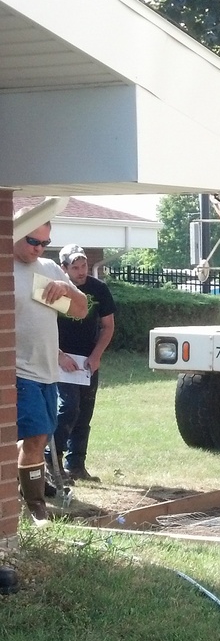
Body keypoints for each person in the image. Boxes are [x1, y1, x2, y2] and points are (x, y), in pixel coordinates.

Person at [13, 219, 88, 524]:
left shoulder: (50, 269)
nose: (39, 248)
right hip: (18, 370)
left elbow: (81, 309)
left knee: (38, 440)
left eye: (45, 243)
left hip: (48, 371)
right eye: (33, 241)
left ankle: (25, 497)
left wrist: (66, 292)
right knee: (34, 438)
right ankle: (35, 507)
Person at [52, 244, 117, 483]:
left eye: (84, 266)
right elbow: (42, 327)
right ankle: (53, 461)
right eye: (75, 267)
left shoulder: (98, 289)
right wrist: (59, 355)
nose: (81, 271)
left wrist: (96, 356)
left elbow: (108, 326)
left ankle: (76, 465)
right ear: (64, 268)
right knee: (68, 408)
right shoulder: (55, 289)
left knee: (85, 412)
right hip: (60, 360)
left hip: (88, 362)